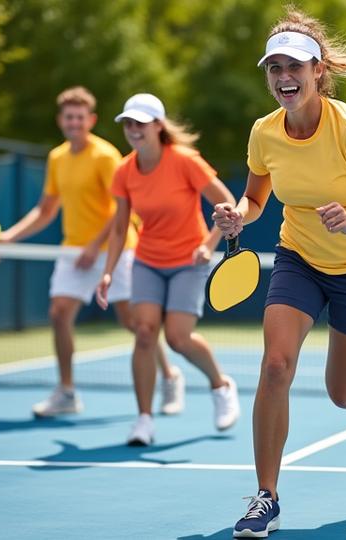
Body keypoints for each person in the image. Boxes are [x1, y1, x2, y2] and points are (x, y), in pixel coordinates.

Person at [212, 9, 346, 538]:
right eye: (274, 67)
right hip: (298, 258)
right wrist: (240, 212)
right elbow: (257, 198)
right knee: (276, 366)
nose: (283, 77)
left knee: (343, 393)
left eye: (294, 67)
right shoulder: (264, 133)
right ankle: (266, 498)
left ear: (317, 70)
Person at [0, 86, 185, 418]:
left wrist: (96, 247)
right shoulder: (57, 158)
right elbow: (46, 209)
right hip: (74, 251)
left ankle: (169, 376)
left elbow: (124, 208)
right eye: (69, 117)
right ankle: (66, 393)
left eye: (80, 117)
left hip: (116, 249)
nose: (74, 123)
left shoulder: (106, 156)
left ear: (91, 120)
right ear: (61, 121)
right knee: (58, 313)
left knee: (136, 323)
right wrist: (10, 237)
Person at [95, 92, 241, 447]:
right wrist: (108, 271)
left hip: (188, 262)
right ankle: (144, 420)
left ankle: (220, 385)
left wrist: (208, 245)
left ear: (158, 126)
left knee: (177, 338)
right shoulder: (124, 172)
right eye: (128, 124)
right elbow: (119, 228)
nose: (133, 130)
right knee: (144, 332)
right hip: (146, 259)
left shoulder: (185, 161)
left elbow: (228, 204)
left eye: (140, 123)